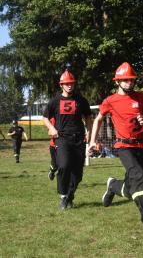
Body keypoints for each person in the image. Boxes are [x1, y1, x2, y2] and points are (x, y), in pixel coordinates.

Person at [88, 62, 143, 241]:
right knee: (138, 178)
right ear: (118, 82)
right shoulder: (110, 101)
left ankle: (113, 186)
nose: (130, 83)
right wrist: (92, 141)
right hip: (124, 147)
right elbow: (98, 119)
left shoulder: (141, 97)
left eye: (131, 80)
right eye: (126, 80)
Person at [42, 70, 92, 210]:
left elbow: (88, 117)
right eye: (67, 84)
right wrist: (51, 128)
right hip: (62, 138)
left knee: (78, 174)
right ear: (61, 85)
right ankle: (63, 196)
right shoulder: (54, 101)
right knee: (64, 165)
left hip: (79, 139)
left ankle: (70, 196)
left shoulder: (81, 100)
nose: (70, 86)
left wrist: (89, 132)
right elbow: (45, 118)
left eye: (71, 83)